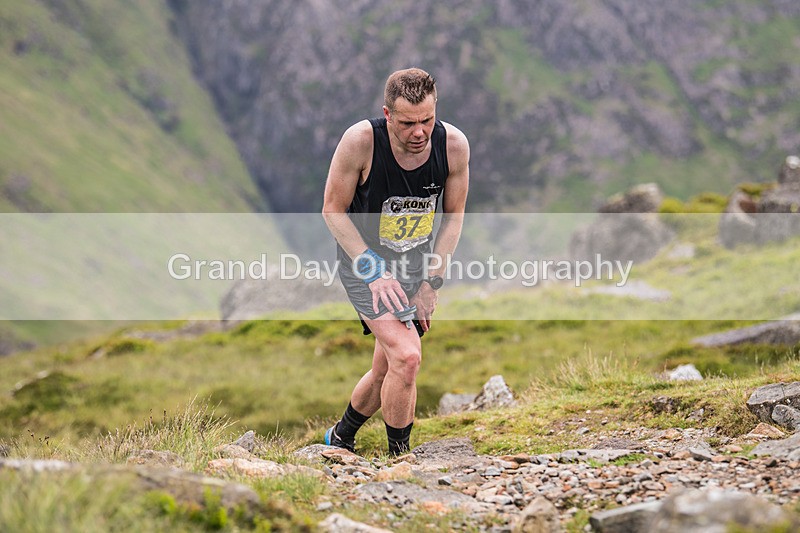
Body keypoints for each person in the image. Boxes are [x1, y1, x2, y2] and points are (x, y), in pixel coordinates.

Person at [321, 67, 470, 455]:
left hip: (414, 269)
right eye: (407, 123)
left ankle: (340, 437)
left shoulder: (453, 146)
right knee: (407, 357)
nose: (419, 132)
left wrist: (430, 283)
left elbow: (454, 217)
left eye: (427, 120)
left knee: (386, 368)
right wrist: (374, 273)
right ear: (388, 114)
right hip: (363, 263)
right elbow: (333, 211)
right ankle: (399, 460)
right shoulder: (361, 142)